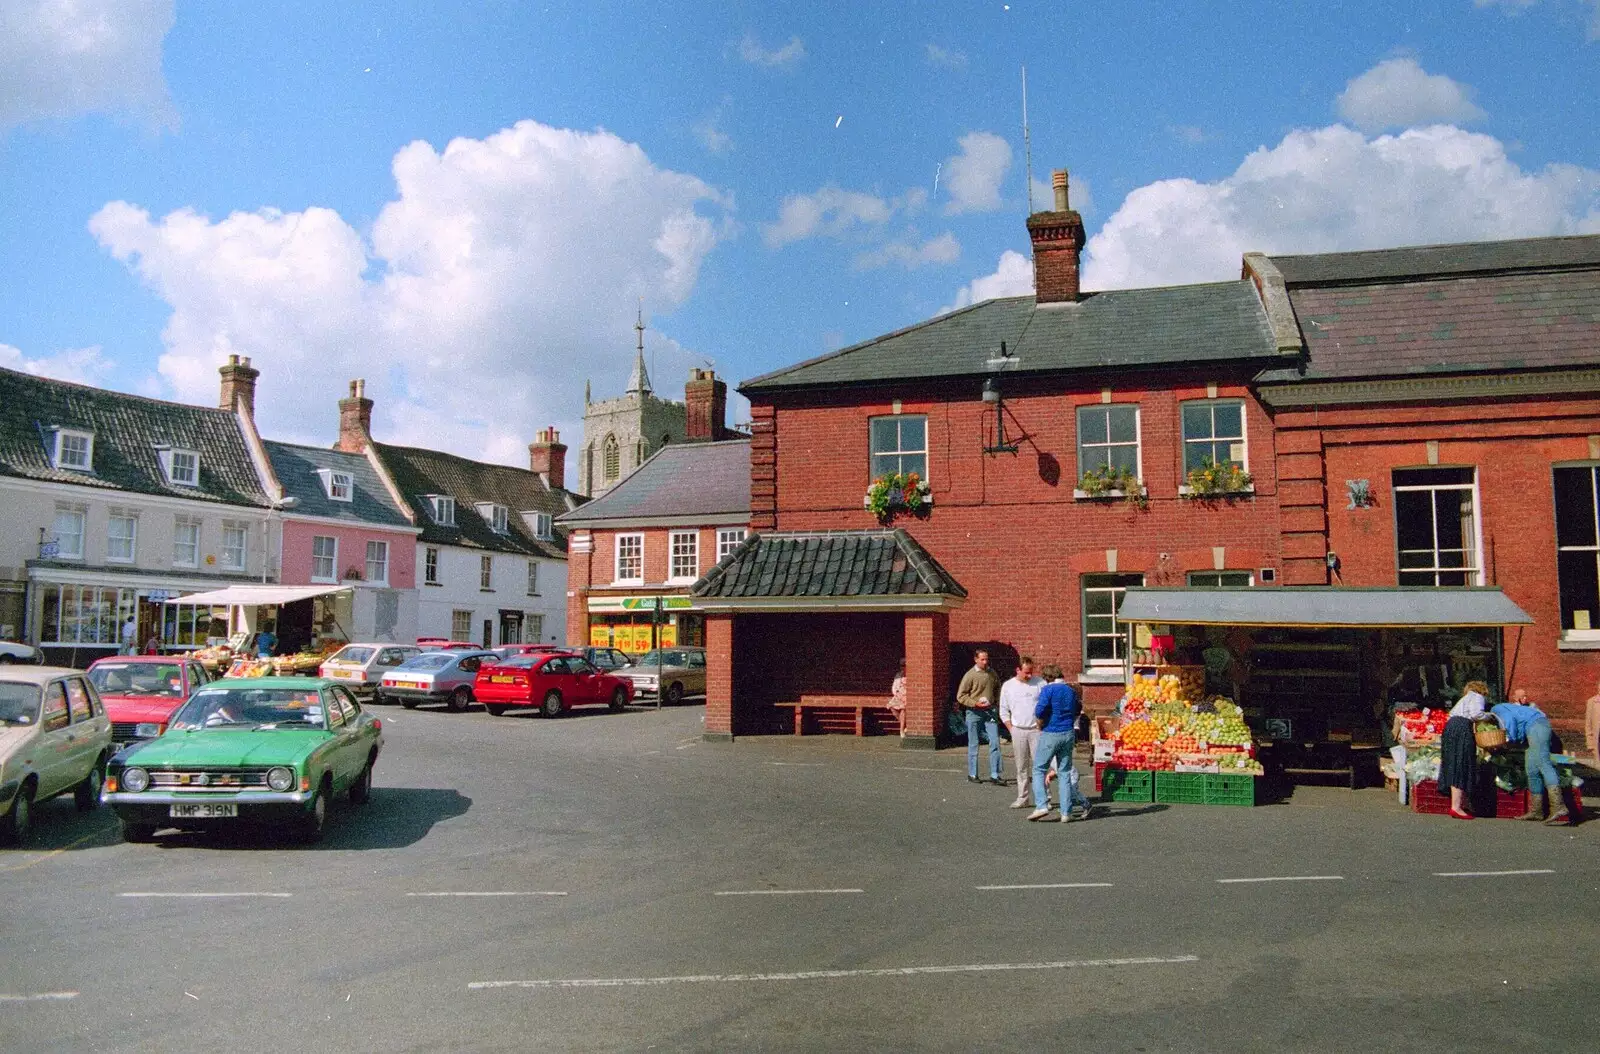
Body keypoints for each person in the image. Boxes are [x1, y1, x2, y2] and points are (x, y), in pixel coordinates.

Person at [1490, 689, 1568, 824]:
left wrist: (1510, 741)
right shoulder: (1505, 708)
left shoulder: (1497, 709)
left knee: (1544, 763)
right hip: (1532, 728)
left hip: (1537, 725)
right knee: (1531, 769)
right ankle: (1536, 811)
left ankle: (1558, 805)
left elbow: (1509, 723)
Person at [1029, 664, 1091, 822]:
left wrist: (1041, 721)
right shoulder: (1071, 690)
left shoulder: (1048, 690)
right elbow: (1078, 708)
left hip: (1051, 732)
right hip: (1068, 733)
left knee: (1039, 769)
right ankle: (1066, 812)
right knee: (1064, 772)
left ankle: (1042, 805)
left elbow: (1039, 711)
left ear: (1047, 678)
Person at [1437, 680, 1489, 820]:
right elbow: (1476, 714)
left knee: (1453, 763)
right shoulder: (1477, 697)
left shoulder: (1464, 699)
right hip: (1462, 729)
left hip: (1450, 728)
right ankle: (1456, 807)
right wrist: (1489, 717)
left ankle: (1460, 804)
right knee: (1461, 763)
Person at [999, 656, 1045, 809]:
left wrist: (1042, 725)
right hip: (1018, 730)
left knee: (1040, 766)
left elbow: (1047, 705)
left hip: (1036, 730)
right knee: (1021, 767)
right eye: (1026, 672)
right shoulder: (1008, 686)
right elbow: (1003, 710)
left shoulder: (1040, 683)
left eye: (1031, 672)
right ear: (1018, 670)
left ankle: (1044, 798)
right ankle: (1022, 797)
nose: (1029, 675)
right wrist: (1011, 729)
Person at [955, 648, 1004, 785]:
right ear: (976, 659)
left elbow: (998, 688)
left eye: (986, 659)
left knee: (995, 741)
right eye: (982, 659)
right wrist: (975, 703)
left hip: (990, 712)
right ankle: (972, 774)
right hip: (973, 712)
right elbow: (961, 696)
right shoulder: (970, 675)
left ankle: (995, 774)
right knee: (973, 743)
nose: (985, 662)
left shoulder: (991, 673)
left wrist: (996, 703)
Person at [887, 660, 908, 738]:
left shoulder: (911, 675)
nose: (902, 668)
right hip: (899, 694)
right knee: (892, 707)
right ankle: (906, 725)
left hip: (907, 695)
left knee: (903, 709)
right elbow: (894, 686)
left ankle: (901, 730)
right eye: (901, 666)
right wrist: (896, 693)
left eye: (904, 666)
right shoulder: (898, 675)